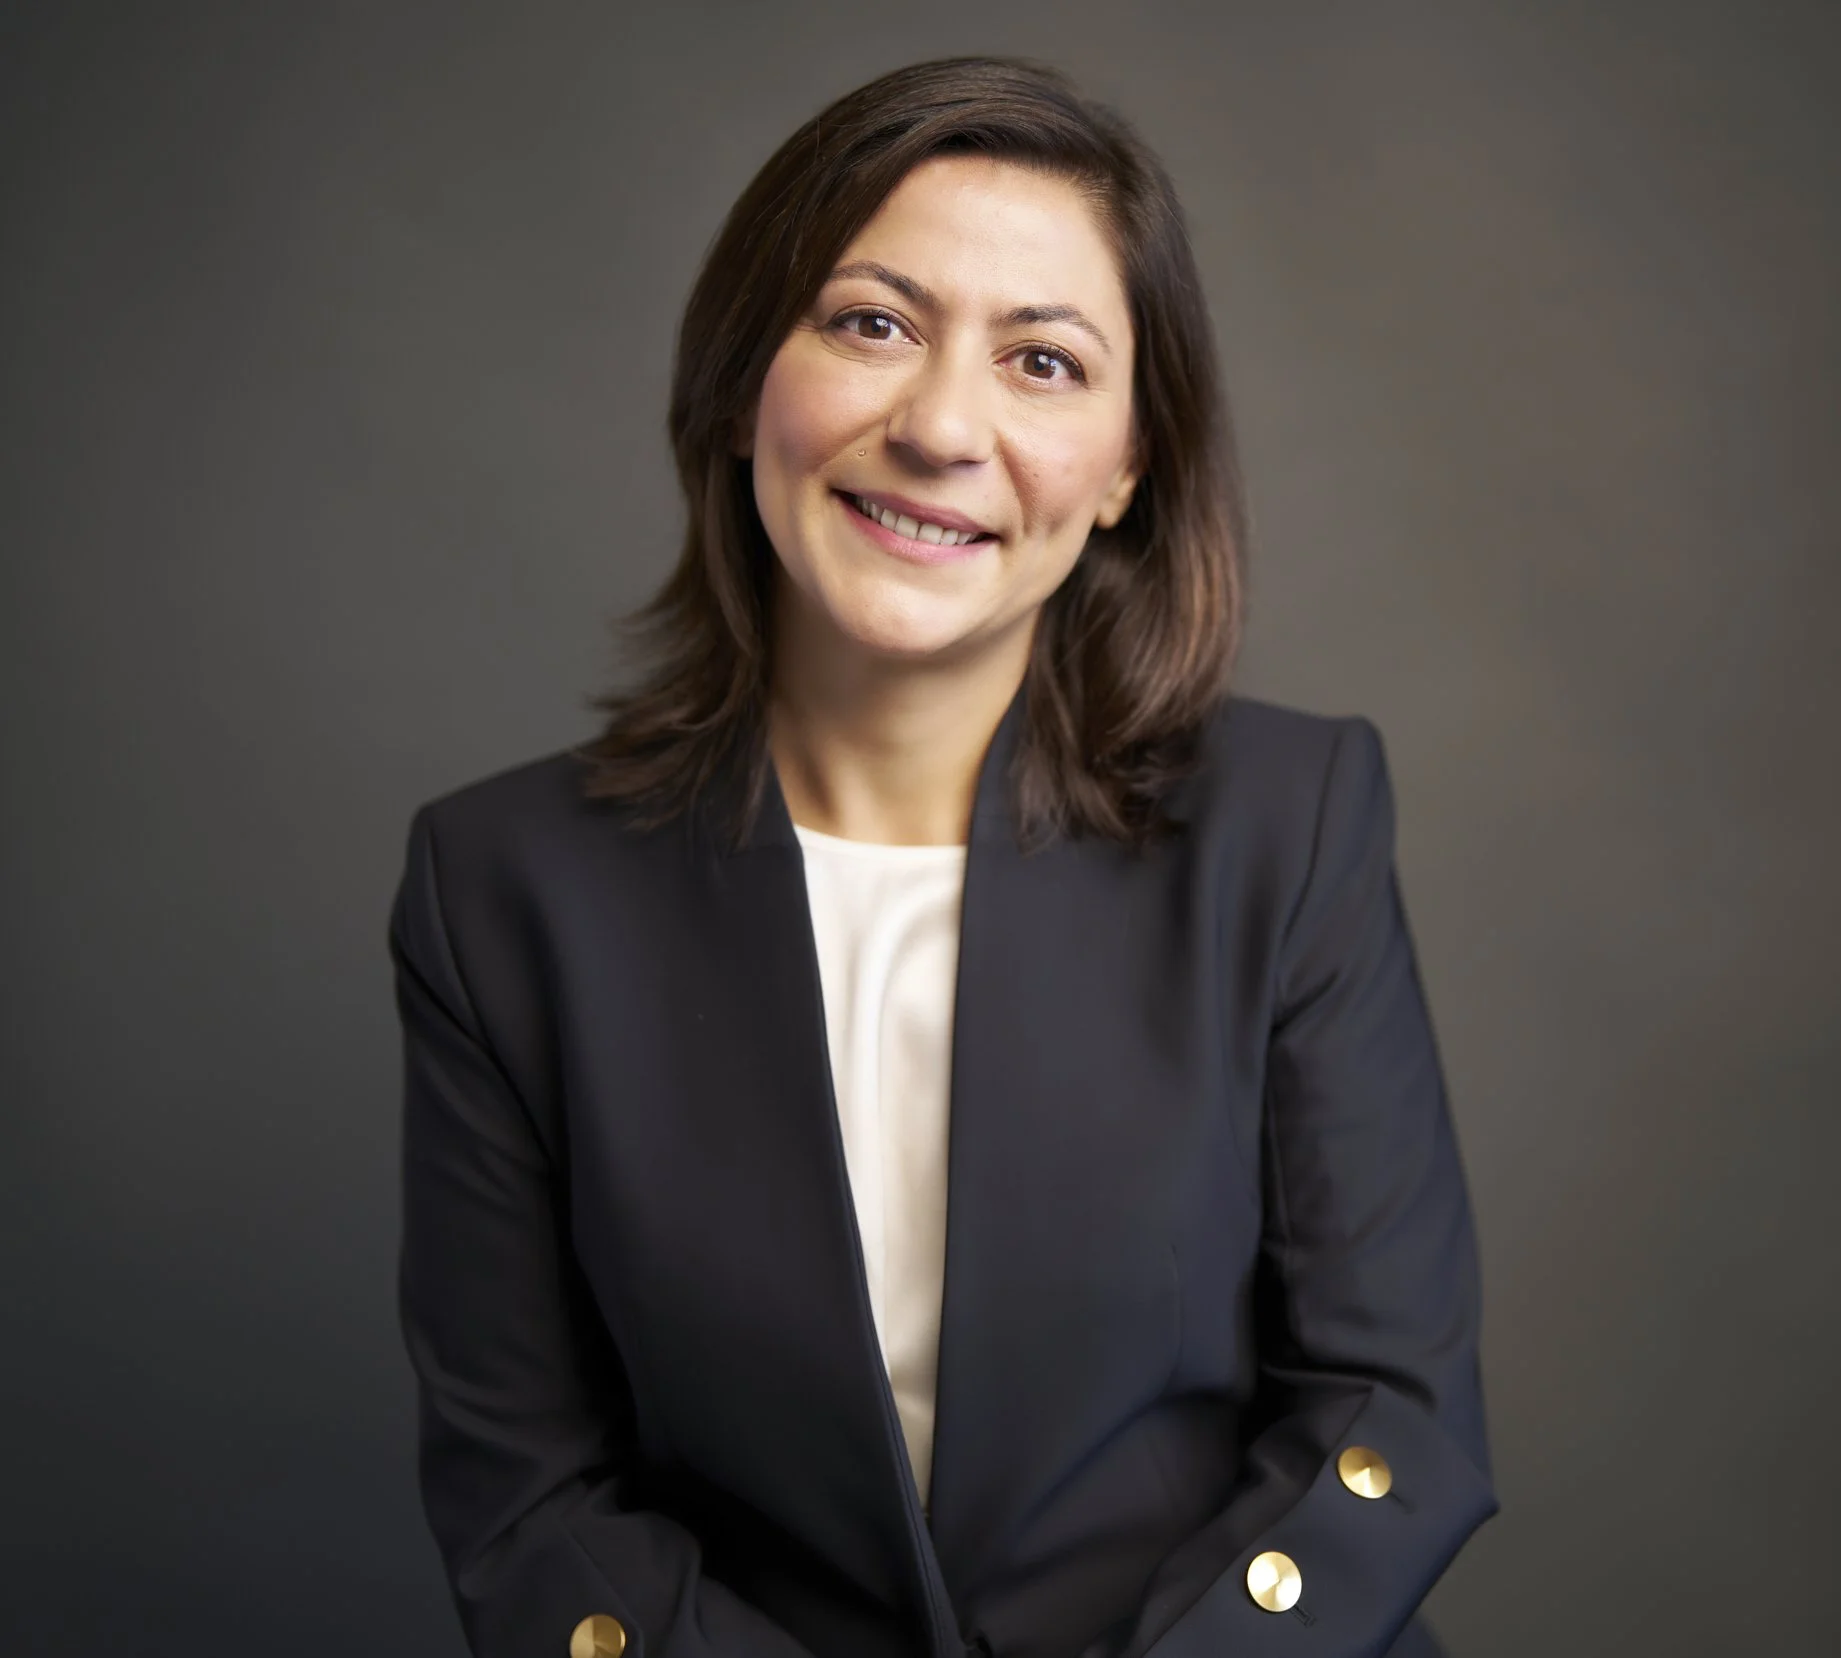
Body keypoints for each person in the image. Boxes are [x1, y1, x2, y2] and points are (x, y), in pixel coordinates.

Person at [388, 55, 1495, 1658]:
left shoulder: (1291, 820)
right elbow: (531, 1501)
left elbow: (1393, 1409)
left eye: (1044, 362)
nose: (942, 427)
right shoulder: (500, 892)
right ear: (742, 374)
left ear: (1126, 469)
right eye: (872, 324)